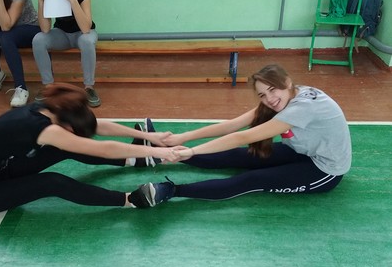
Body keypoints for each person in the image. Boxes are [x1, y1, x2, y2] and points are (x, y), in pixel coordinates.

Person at [132, 63, 352, 207]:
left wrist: (192, 150)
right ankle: (161, 153)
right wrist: (183, 138)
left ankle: (171, 191)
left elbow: (242, 136)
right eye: (262, 95)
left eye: (272, 90)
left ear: (286, 83)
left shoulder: (302, 107)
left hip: (324, 169)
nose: (269, 99)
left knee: (251, 180)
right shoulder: (287, 95)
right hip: (302, 151)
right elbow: (234, 126)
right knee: (237, 156)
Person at [0, 83, 180, 214]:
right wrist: (156, 151)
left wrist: (148, 136)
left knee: (62, 148)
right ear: (66, 125)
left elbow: (96, 125)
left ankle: (135, 160)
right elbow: (102, 149)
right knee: (52, 182)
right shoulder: (44, 129)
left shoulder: (50, 108)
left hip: (6, 168)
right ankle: (129, 200)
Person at [32, 0, 101, 108]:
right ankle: (48, 86)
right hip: (62, 34)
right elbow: (45, 29)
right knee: (38, 39)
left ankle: (89, 87)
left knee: (86, 40)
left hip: (83, 34)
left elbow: (86, 28)